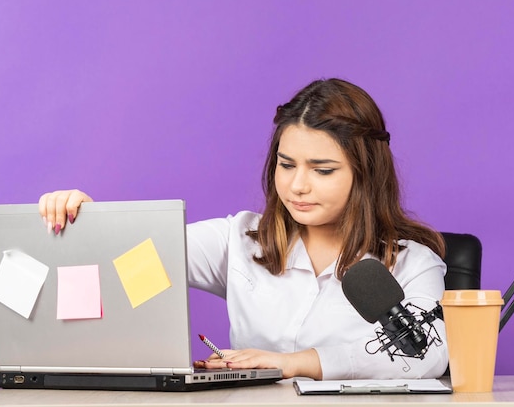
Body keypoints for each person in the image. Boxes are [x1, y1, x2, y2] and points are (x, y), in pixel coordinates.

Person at [39, 78, 449, 380]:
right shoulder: (239, 239)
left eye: (322, 170)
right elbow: (132, 257)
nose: (296, 185)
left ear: (365, 173)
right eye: (286, 165)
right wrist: (90, 221)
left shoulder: (412, 261)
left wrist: (294, 362)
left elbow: (428, 356)